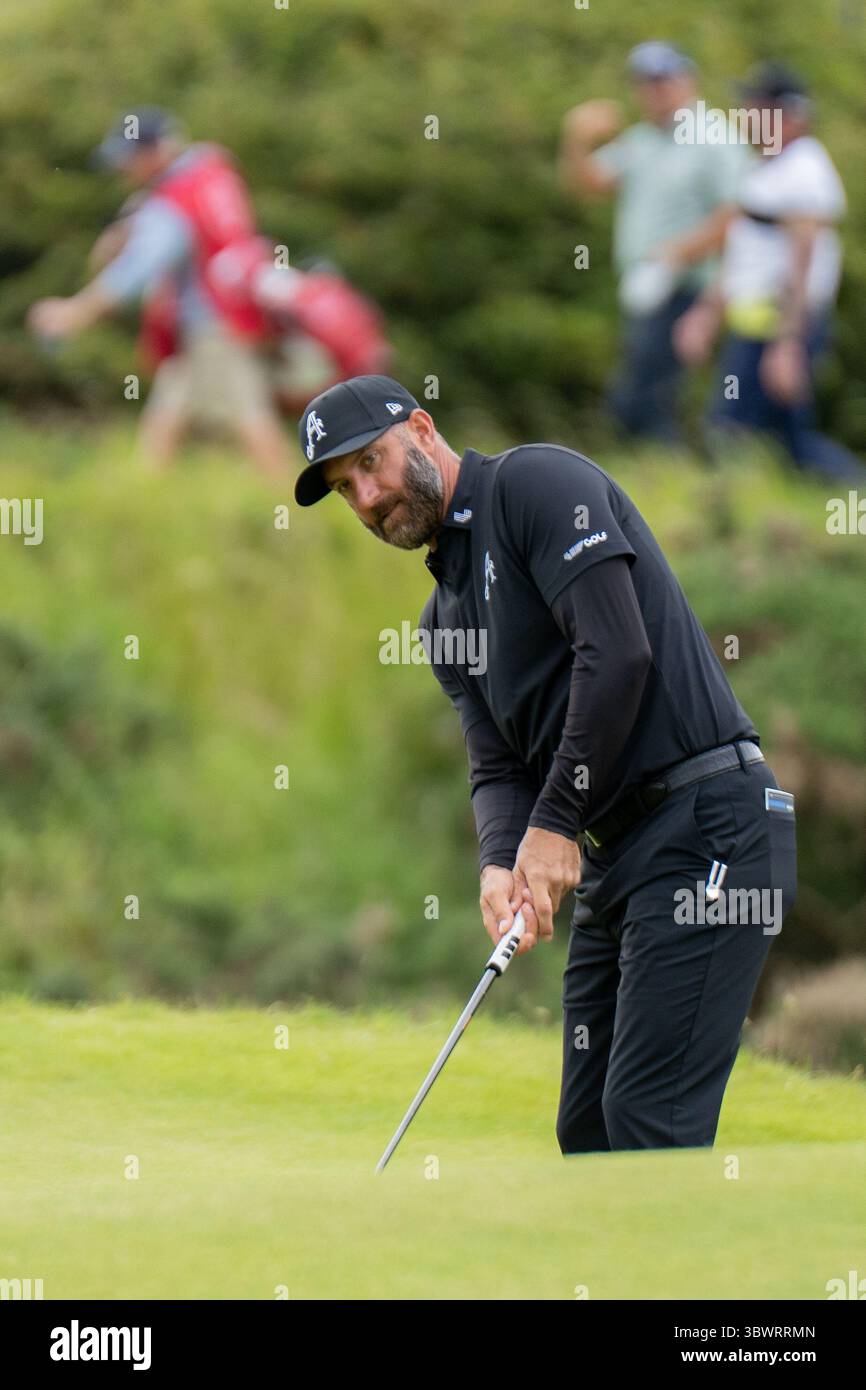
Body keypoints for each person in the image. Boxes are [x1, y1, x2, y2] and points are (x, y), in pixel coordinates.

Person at [294, 374, 799, 1153]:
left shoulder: (535, 485)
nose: (364, 496)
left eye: (371, 462)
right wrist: (500, 861)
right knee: (588, 1128)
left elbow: (617, 653)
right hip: (620, 857)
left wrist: (556, 824)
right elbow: (497, 766)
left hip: (710, 827)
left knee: (647, 1121)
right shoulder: (443, 618)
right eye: (343, 487)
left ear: (422, 429)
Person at [28, 108, 289, 480]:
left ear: (153, 153)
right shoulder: (211, 174)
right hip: (223, 319)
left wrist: (75, 312)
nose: (123, 172)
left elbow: (138, 269)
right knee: (165, 418)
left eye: (127, 161)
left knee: (249, 418)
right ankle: (141, 503)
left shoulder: (175, 196)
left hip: (215, 326)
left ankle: (292, 509)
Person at [674, 64, 866, 480]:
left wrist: (788, 344)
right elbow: (742, 250)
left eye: (757, 106)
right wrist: (707, 313)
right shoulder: (763, 166)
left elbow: (804, 261)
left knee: (743, 432)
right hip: (756, 323)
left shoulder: (805, 169)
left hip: (781, 323)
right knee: (770, 437)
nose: (745, 113)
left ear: (789, 114)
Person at [558, 42, 748, 445]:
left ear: (687, 80)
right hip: (646, 288)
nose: (654, 91)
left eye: (663, 80)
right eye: (646, 82)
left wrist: (675, 254)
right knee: (643, 395)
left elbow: (736, 214)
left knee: (643, 398)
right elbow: (588, 182)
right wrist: (576, 137)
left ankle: (674, 477)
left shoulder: (714, 137)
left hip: (686, 287)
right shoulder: (642, 140)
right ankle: (669, 477)